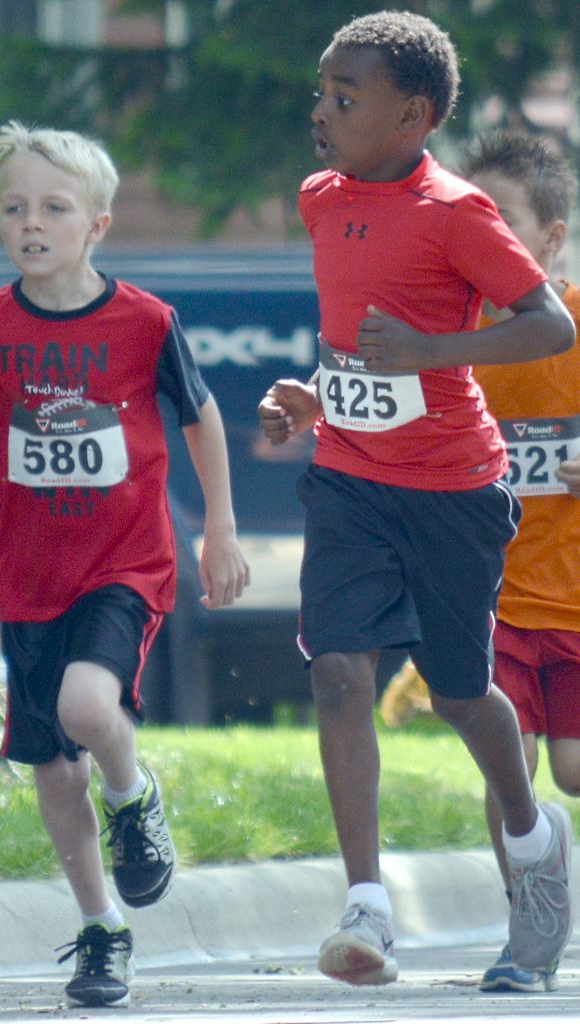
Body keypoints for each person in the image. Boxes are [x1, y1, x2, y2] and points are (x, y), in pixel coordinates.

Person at [0, 121, 250, 1008]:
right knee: (51, 770)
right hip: (28, 577)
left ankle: (134, 792)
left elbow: (200, 421)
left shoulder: (144, 322)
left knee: (90, 708)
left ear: (97, 225)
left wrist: (221, 532)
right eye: (14, 209)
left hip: (124, 560)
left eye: (53, 207)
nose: (30, 223)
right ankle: (101, 929)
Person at [257, 10, 576, 988]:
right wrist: (313, 398)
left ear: (413, 115)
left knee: (453, 691)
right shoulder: (318, 199)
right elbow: (355, 342)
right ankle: (365, 905)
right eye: (321, 91)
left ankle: (529, 832)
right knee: (338, 677)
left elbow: (547, 324)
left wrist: (437, 353)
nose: (320, 111)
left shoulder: (458, 214)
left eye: (343, 98)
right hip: (350, 477)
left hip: (454, 488)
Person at [460, 130, 580, 993]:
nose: (480, 235)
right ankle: (526, 938)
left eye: (499, 219)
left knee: (571, 771)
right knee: (513, 773)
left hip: (574, 602)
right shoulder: (450, 334)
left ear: (551, 239)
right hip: (489, 601)